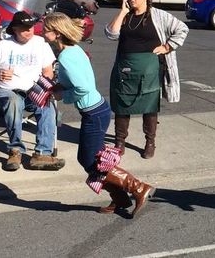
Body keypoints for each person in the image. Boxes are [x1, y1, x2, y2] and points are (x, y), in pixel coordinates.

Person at [43, 13, 154, 216]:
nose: (43, 33)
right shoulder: (72, 50)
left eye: (46, 30)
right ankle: (120, 199)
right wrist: (58, 86)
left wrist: (62, 94)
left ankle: (138, 188)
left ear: (57, 33)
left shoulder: (66, 56)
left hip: (93, 112)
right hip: (97, 110)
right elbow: (79, 81)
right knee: (93, 159)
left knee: (89, 160)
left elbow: (83, 87)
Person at [105, 0, 189, 159]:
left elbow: (182, 28)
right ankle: (119, 142)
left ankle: (150, 142)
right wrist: (122, 12)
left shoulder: (158, 15)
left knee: (149, 106)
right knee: (122, 105)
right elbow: (111, 34)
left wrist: (167, 46)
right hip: (125, 67)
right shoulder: (126, 16)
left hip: (150, 68)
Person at [0, 11, 65, 172]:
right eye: (25, 28)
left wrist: (44, 85)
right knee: (14, 102)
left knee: (47, 104)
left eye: (31, 27)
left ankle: (42, 153)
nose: (29, 31)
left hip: (33, 90)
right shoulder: (3, 46)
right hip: (8, 90)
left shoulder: (40, 43)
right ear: (15, 29)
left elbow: (48, 71)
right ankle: (15, 150)